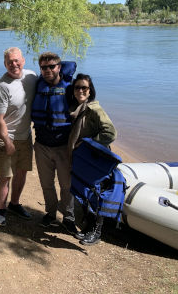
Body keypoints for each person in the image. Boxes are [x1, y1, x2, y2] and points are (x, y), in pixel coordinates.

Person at [31, 52, 78, 235]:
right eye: (44, 67)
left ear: (59, 67)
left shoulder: (70, 87)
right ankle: (50, 214)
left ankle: (68, 217)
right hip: (42, 145)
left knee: (67, 185)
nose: (48, 70)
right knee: (46, 183)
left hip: (63, 147)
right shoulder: (38, 85)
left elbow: (83, 110)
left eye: (52, 66)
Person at [0, 47, 37, 226]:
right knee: (5, 176)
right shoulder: (0, 87)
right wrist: (7, 142)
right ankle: (1, 209)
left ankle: (15, 204)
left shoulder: (32, 76)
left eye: (17, 61)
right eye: (10, 62)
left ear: (23, 61)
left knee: (22, 172)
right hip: (6, 136)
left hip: (26, 135)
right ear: (5, 64)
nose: (14, 64)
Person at [68, 73, 117, 245]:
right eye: (77, 87)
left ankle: (96, 232)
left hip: (95, 160)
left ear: (90, 91)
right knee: (85, 193)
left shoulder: (94, 109)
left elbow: (110, 133)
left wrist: (89, 144)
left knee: (96, 194)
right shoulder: (77, 108)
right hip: (83, 160)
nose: (80, 90)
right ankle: (88, 228)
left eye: (84, 88)